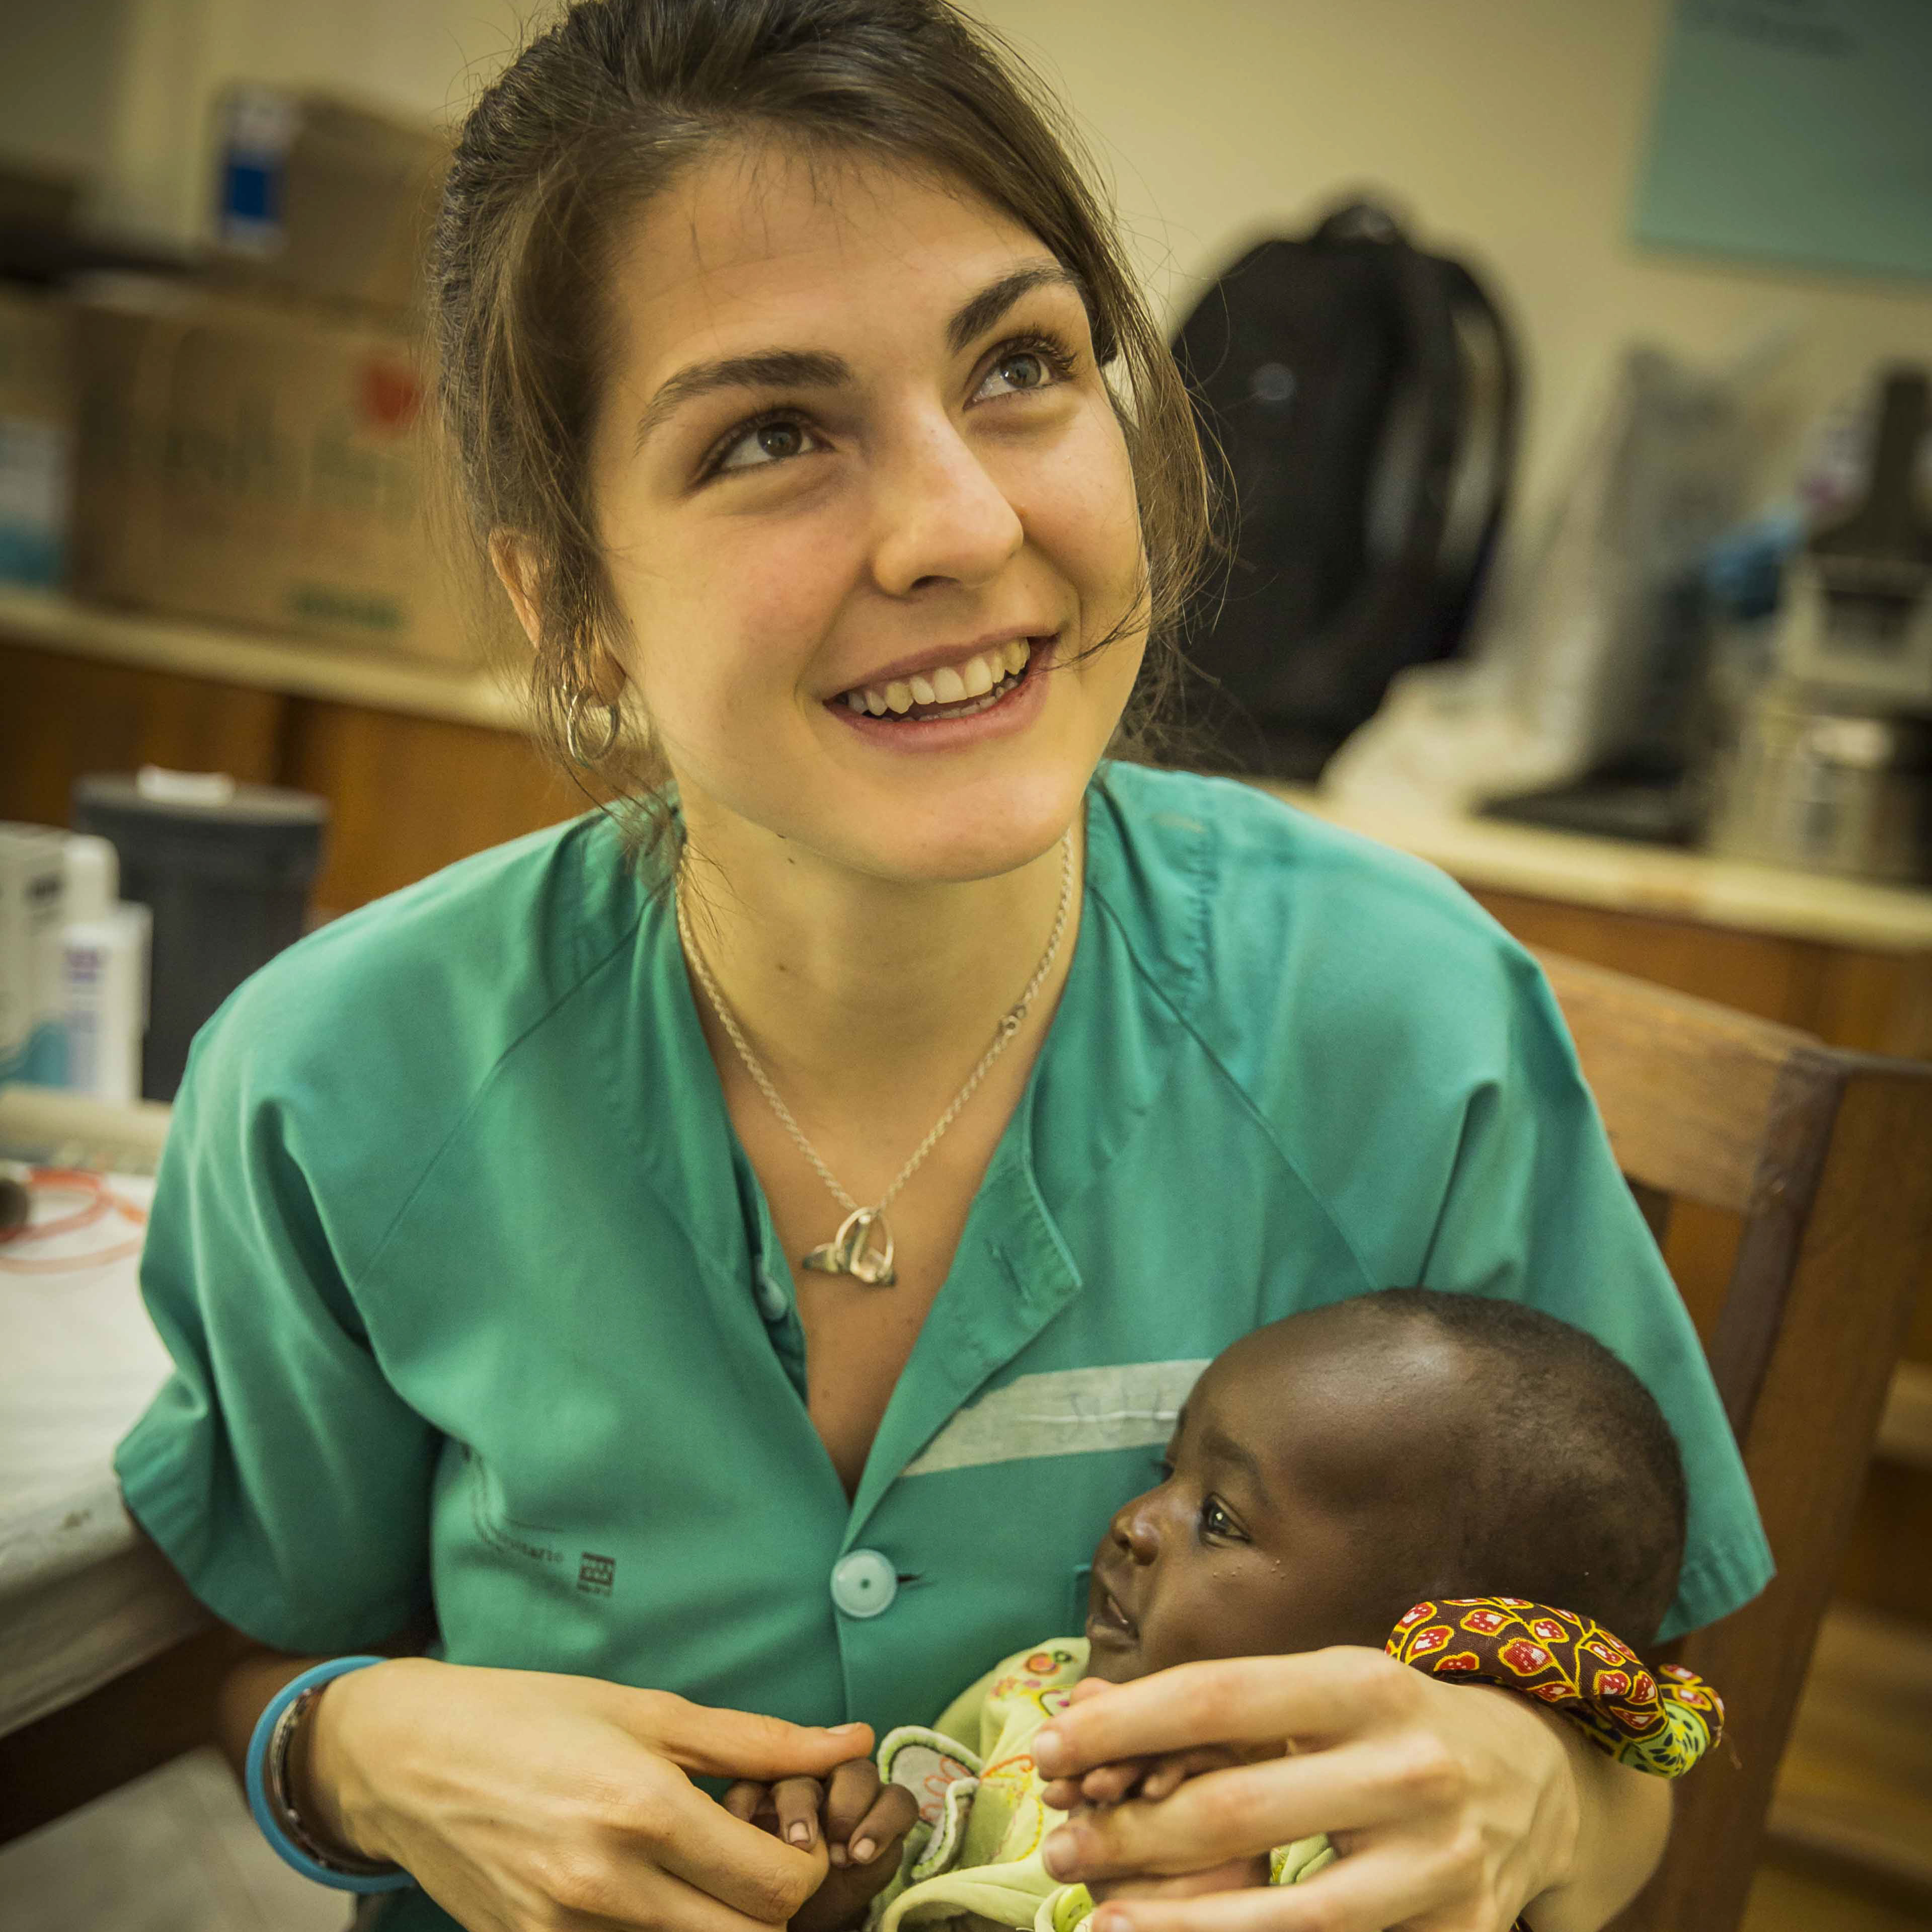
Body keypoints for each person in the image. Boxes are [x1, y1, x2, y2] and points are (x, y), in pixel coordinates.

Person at [112, 5, 1772, 1931]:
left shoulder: (1411, 1029)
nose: (967, 526)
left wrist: (1549, 1813)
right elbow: (216, 1652)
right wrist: (351, 1744)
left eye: (1021, 367)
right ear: (567, 605)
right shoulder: (338, 1087)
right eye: (773, 435)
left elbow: (1649, 1756)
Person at [720, 1291, 1723, 1932]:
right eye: (1166, 1475)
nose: (1132, 1524)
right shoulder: (1040, 1690)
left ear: (1422, 1665)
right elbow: (952, 1863)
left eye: (1221, 1518)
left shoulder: (1365, 1857)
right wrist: (852, 1875)